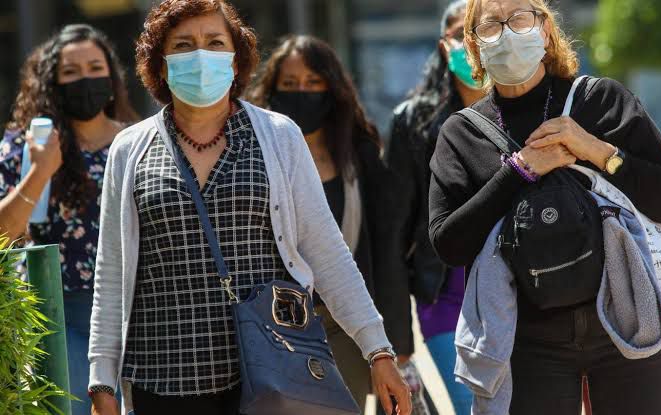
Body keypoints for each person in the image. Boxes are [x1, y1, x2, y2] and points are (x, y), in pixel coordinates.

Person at [87, 1, 411, 415]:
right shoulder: (131, 148)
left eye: (215, 43)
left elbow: (327, 252)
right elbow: (110, 273)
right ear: (161, 64)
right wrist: (102, 379)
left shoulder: (279, 136)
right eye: (183, 45)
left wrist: (377, 351)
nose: (200, 56)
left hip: (270, 375)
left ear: (236, 61)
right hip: (162, 379)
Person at [428, 0, 661, 414]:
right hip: (527, 341)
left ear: (545, 29)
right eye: (492, 25)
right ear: (474, 45)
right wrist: (520, 170)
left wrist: (595, 150)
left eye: (519, 19)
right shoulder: (460, 134)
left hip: (627, 318)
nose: (508, 33)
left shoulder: (599, 100)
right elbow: (449, 244)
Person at [248, 34, 414, 413]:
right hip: (270, 326)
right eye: (289, 85)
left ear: (332, 89)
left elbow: (387, 250)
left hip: (342, 327)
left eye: (313, 83)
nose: (301, 93)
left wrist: (394, 342)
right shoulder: (251, 153)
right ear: (272, 90)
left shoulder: (360, 154)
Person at [0, 24, 137, 415]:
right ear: (52, 84)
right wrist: (41, 170)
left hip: (136, 310)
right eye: (71, 72)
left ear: (112, 77)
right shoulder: (25, 145)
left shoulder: (139, 141)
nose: (85, 80)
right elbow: (3, 233)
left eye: (95, 68)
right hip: (62, 313)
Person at [385, 1, 480, 413]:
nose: (472, 42)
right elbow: (393, 231)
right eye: (462, 33)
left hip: (523, 293)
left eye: (482, 29)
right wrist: (396, 339)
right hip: (444, 295)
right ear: (445, 46)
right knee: (473, 406)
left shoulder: (530, 112)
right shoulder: (412, 122)